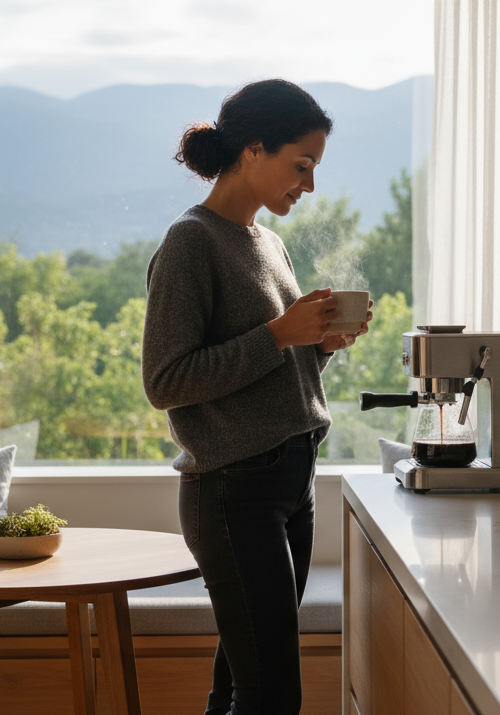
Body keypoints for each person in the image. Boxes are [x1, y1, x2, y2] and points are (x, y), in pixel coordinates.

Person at [141, 79, 371, 715]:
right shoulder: (191, 242)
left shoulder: (270, 244)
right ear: (252, 150)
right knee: (271, 696)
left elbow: (272, 374)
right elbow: (166, 380)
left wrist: (318, 345)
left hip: (291, 485)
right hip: (234, 492)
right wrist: (278, 334)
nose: (310, 184)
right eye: (302, 165)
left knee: (245, 686)